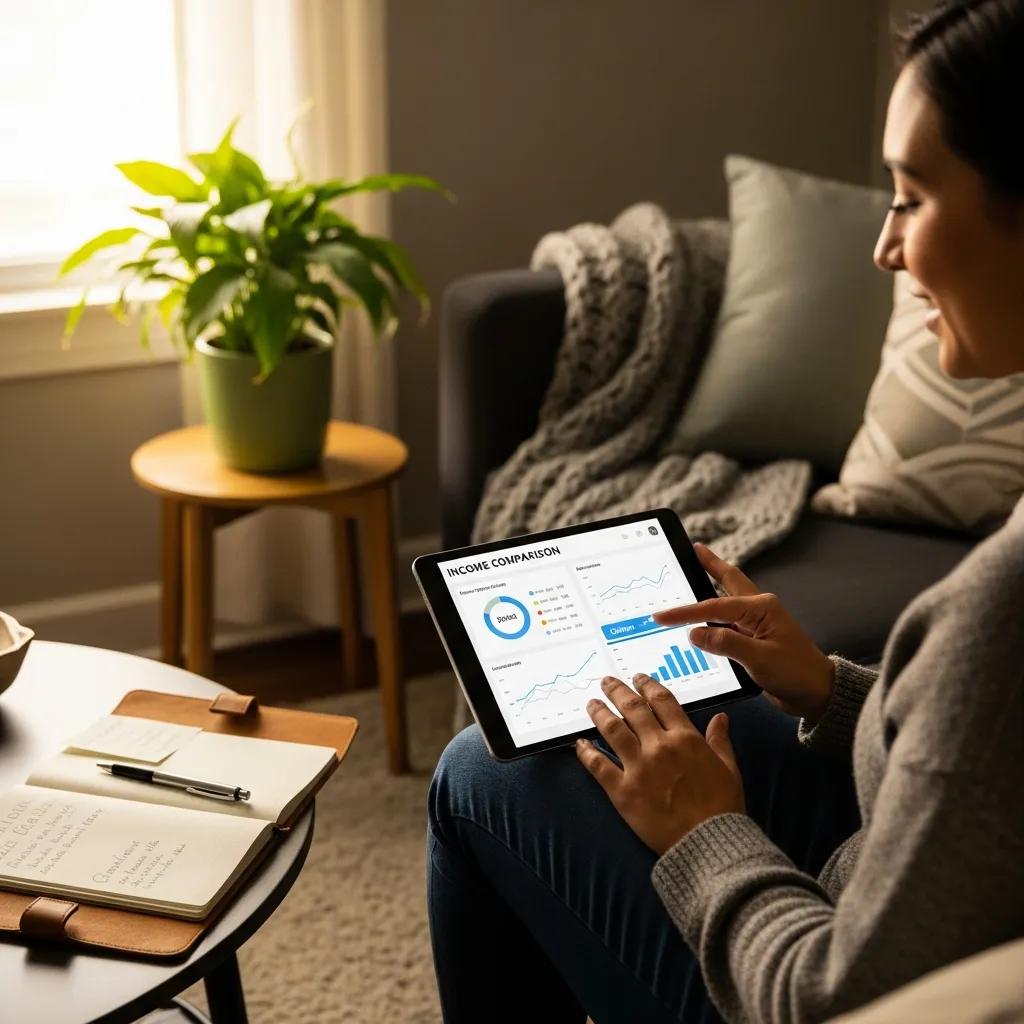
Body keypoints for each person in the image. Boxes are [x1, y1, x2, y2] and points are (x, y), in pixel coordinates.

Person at [426, 1, 1024, 1020]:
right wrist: (825, 690)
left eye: (911, 198)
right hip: (889, 868)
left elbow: (835, 1002)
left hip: (802, 973)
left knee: (485, 772)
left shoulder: (996, 615)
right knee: (550, 740)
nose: (883, 248)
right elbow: (987, 770)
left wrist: (705, 834)